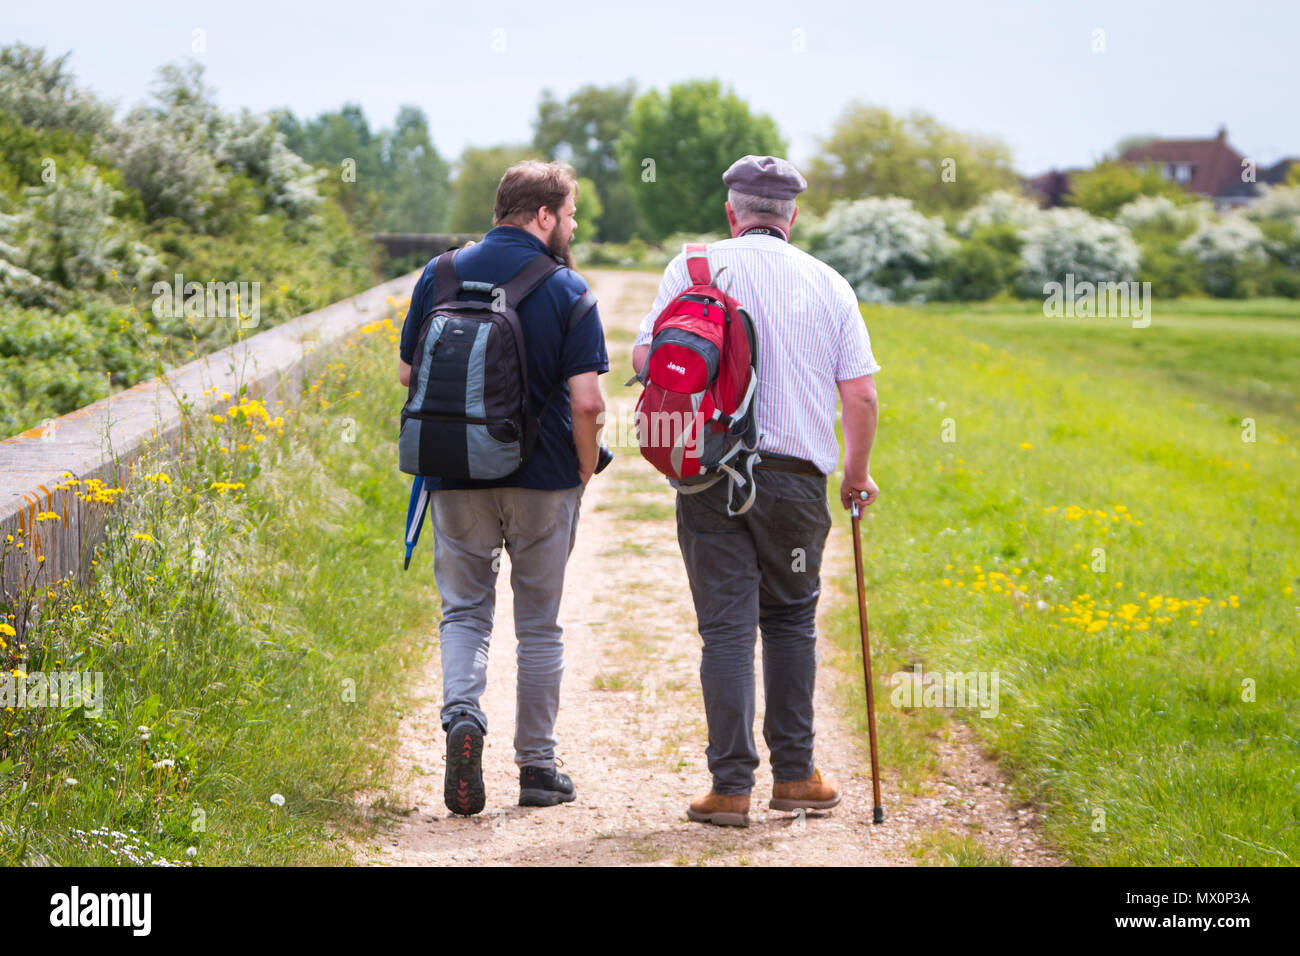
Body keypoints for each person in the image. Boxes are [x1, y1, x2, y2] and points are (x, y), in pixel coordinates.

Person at [631, 155, 881, 827]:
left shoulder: (692, 269)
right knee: (792, 620)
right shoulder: (830, 283)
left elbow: (644, 359)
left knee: (726, 632)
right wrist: (856, 476)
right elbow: (860, 394)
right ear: (792, 216)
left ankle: (730, 787)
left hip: (710, 476)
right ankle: (796, 776)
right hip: (797, 486)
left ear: (732, 212)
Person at [398, 160, 608, 815]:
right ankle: (537, 771)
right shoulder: (569, 289)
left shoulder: (441, 273)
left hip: (455, 472)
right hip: (542, 479)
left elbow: (408, 375)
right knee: (539, 626)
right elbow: (590, 403)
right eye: (569, 213)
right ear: (543, 215)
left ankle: (463, 718)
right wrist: (580, 470)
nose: (571, 224)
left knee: (464, 611)